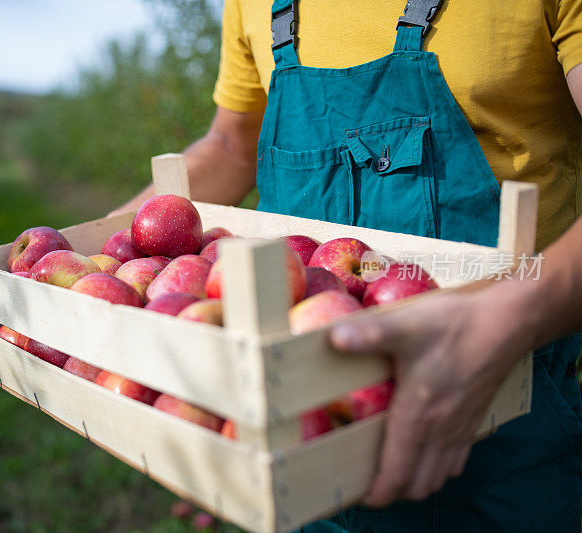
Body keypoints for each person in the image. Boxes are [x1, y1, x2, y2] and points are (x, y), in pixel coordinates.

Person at [113, 1, 582, 530]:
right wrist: (108, 249)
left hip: (502, 409)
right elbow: (232, 143)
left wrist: (515, 314)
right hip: (304, 419)